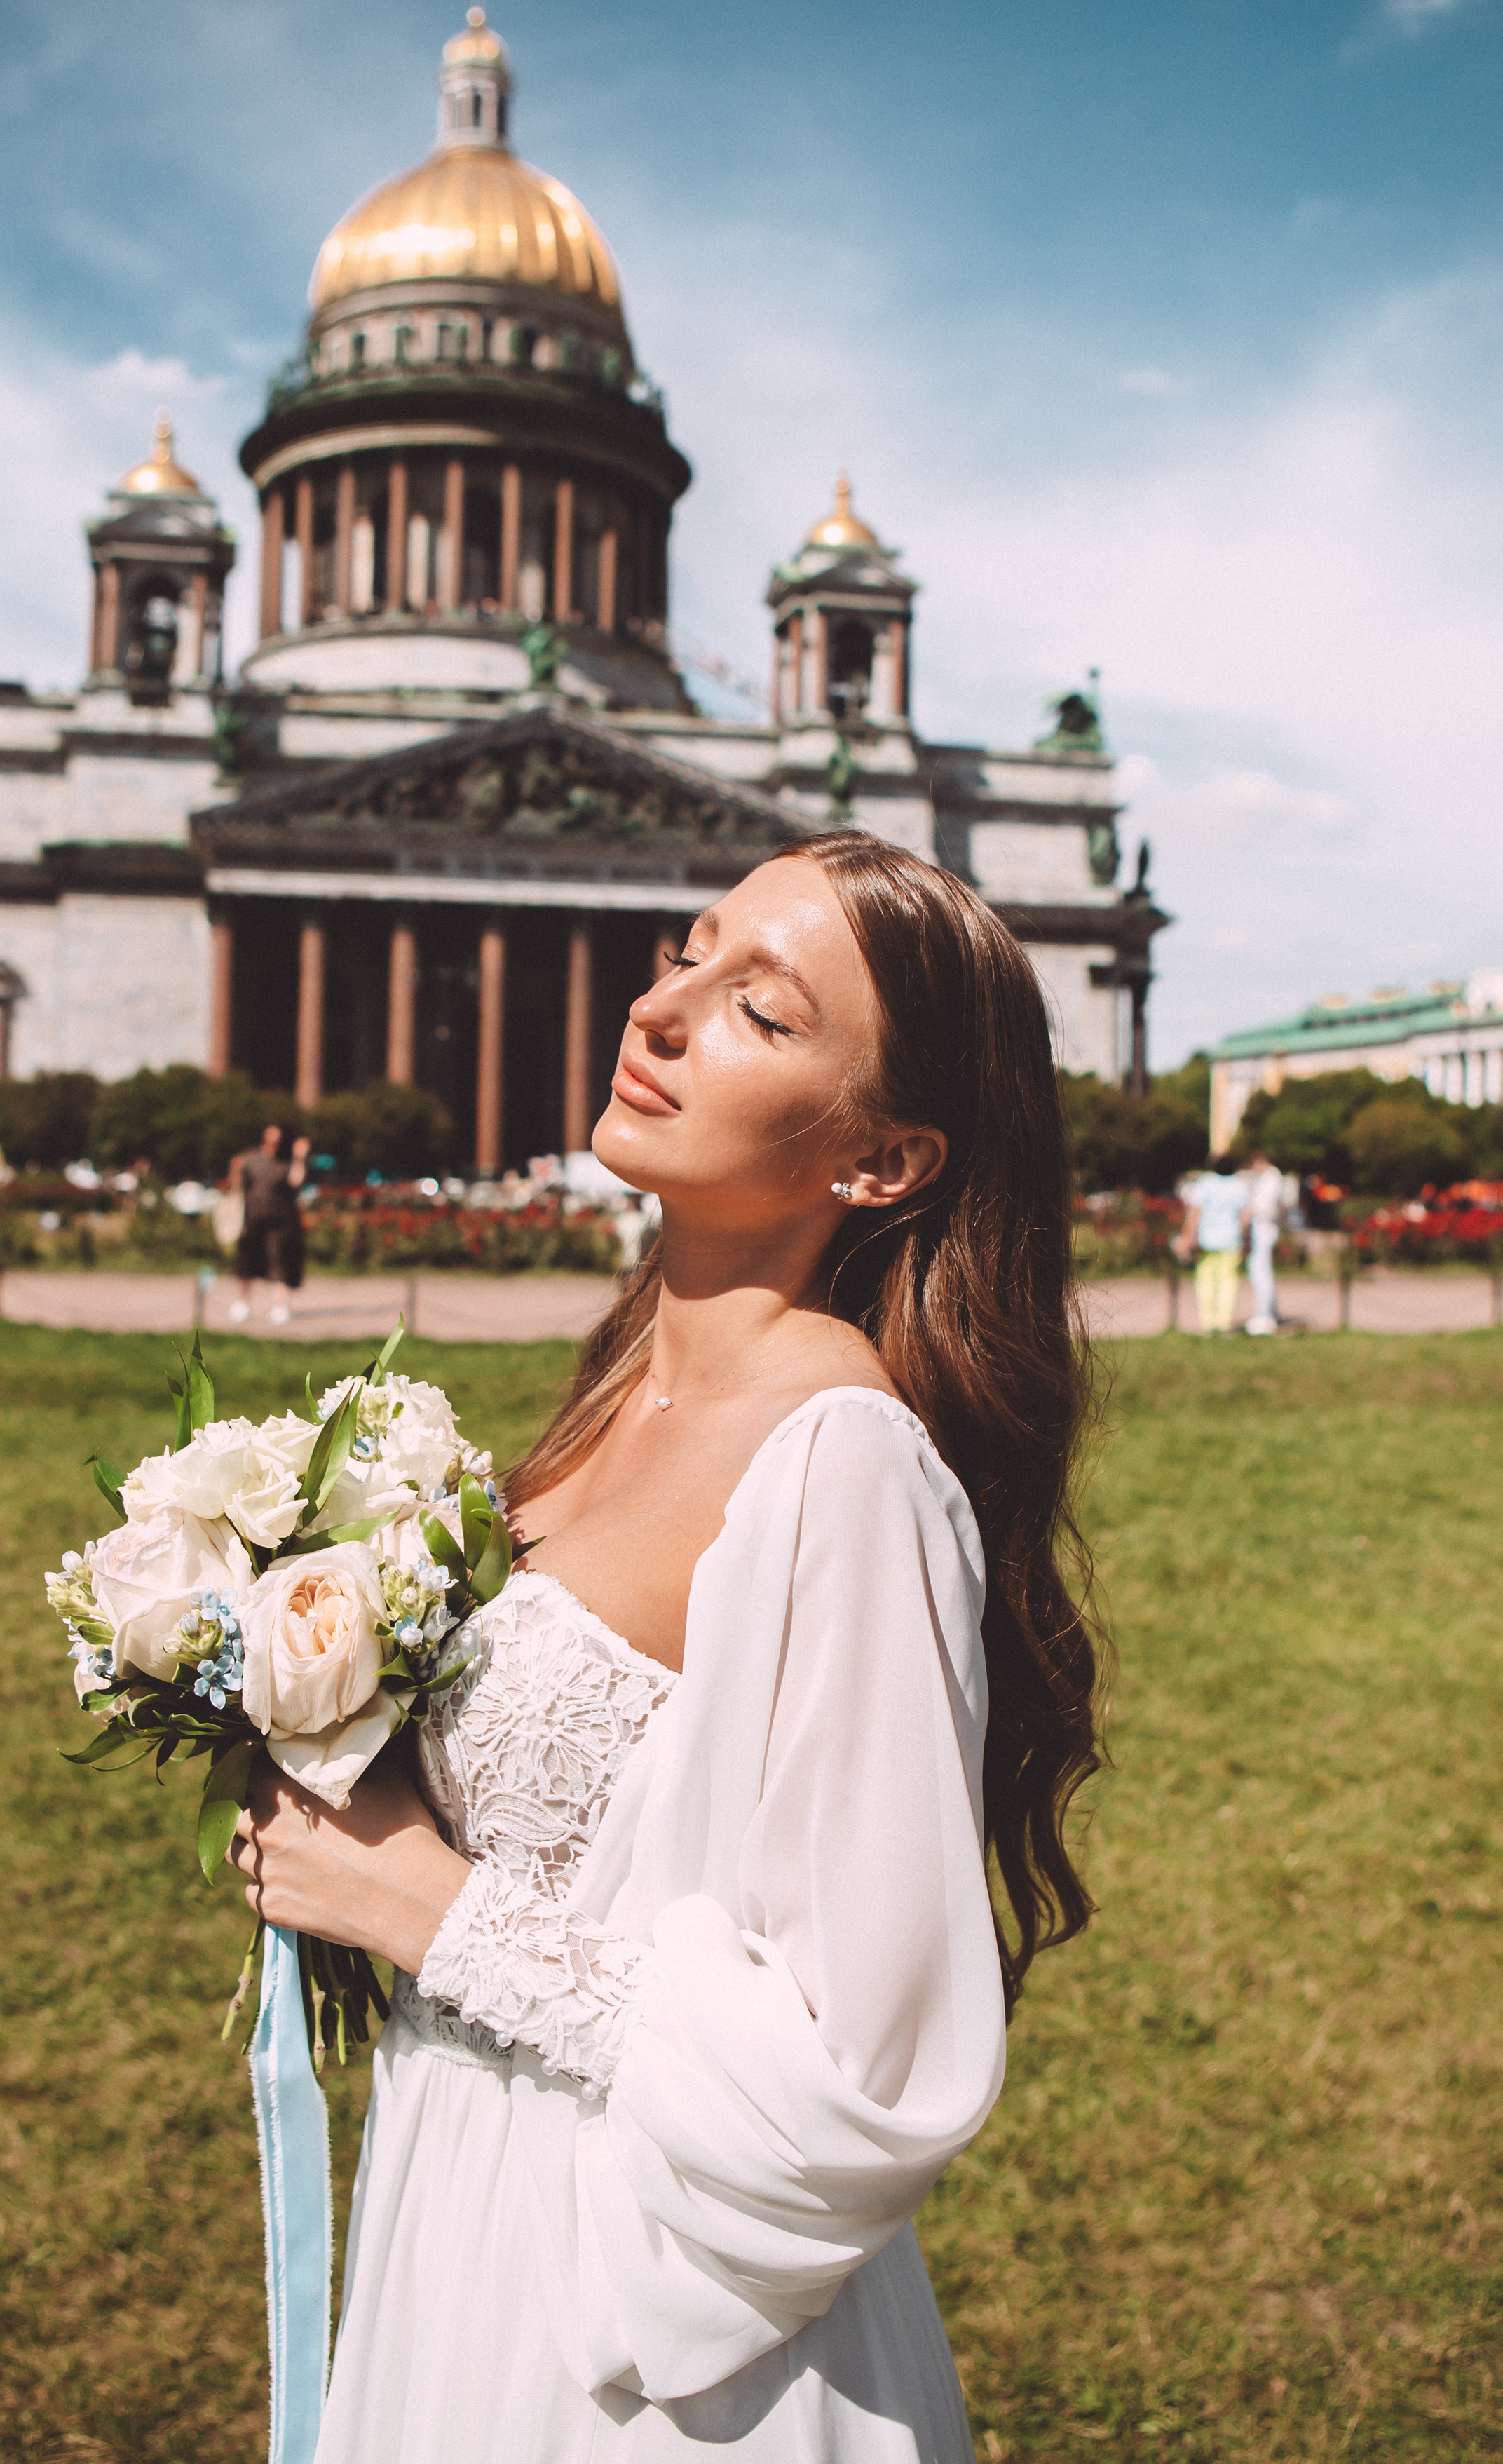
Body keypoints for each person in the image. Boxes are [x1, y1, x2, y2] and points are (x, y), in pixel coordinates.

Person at [230, 832, 1103, 2463]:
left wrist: (422, 1906)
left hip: (653, 2335)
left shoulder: (842, 1466)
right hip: (458, 2213)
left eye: (761, 1010)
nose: (661, 1010)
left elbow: (866, 2074)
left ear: (886, 1160)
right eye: (685, 954)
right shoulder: (616, 1396)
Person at [228, 1124, 310, 1325]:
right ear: (263, 1139)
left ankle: (280, 1307)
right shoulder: (251, 1159)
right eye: (270, 1140)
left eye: (278, 1141)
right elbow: (236, 1185)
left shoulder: (286, 1162)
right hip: (252, 1220)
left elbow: (296, 1181)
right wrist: (234, 1169)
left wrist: (299, 1157)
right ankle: (242, 1304)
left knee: (279, 1262)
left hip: (280, 1223)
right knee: (246, 1264)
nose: (274, 1144)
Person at [1176, 1151, 1248, 1336]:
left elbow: (1195, 1213)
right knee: (1228, 1282)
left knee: (1205, 1281)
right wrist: (1245, 1240)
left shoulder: (1205, 1184)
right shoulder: (1240, 1186)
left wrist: (1186, 1237)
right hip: (1231, 1240)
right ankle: (1224, 1322)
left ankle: (1208, 1322)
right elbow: (1244, 1217)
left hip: (1206, 1240)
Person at [1242, 1147, 1285, 1337]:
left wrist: (1249, 1211)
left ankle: (1264, 1315)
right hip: (1262, 1227)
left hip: (1264, 1227)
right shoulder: (1269, 1177)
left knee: (1260, 1272)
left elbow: (1265, 1206)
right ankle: (1269, 1312)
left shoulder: (1272, 1176)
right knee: (1259, 1270)